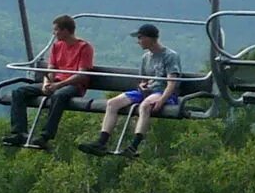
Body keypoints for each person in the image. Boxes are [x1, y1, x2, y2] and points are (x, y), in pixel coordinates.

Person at [78, 23, 183, 159]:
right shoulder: (146, 57)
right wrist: (142, 86)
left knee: (145, 106)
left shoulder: (170, 56)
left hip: (163, 92)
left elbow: (172, 83)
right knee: (112, 103)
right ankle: (101, 142)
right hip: (147, 91)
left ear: (150, 38)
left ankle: (134, 146)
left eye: (140, 38)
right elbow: (143, 79)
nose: (138, 42)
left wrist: (162, 100)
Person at [2, 14, 94, 149]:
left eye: (56, 30)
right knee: (19, 92)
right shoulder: (57, 46)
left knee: (59, 95)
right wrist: (47, 83)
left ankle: (46, 136)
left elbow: (82, 74)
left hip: (73, 86)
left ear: (66, 31)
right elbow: (51, 69)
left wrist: (58, 85)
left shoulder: (84, 47)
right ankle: (19, 132)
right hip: (55, 82)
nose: (54, 33)